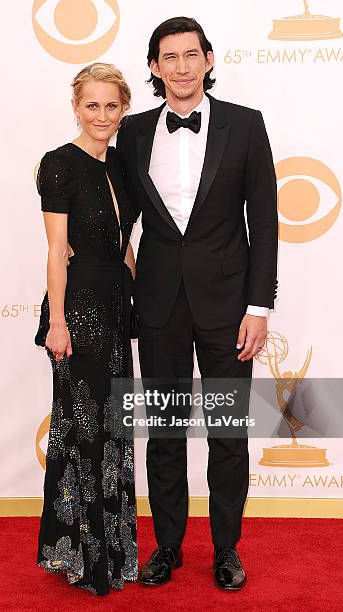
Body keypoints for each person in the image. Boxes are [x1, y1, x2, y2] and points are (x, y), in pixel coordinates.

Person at [117, 17, 278, 590]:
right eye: (170, 57)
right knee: (164, 432)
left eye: (192, 55)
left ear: (209, 60)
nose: (182, 67)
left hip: (230, 308)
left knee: (228, 435)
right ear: (155, 68)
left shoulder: (245, 125)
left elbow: (263, 221)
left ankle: (227, 549)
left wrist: (259, 307)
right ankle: (166, 546)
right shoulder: (133, 133)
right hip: (158, 305)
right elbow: (118, 220)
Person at [34, 63, 139, 596]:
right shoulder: (59, 166)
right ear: (76, 107)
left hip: (117, 310)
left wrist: (137, 299)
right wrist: (57, 321)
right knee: (82, 433)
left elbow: (125, 243)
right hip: (78, 311)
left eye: (111, 106)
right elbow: (56, 249)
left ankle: (115, 554)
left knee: (114, 431)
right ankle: (79, 555)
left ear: (123, 109)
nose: (101, 116)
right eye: (91, 105)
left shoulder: (121, 165)